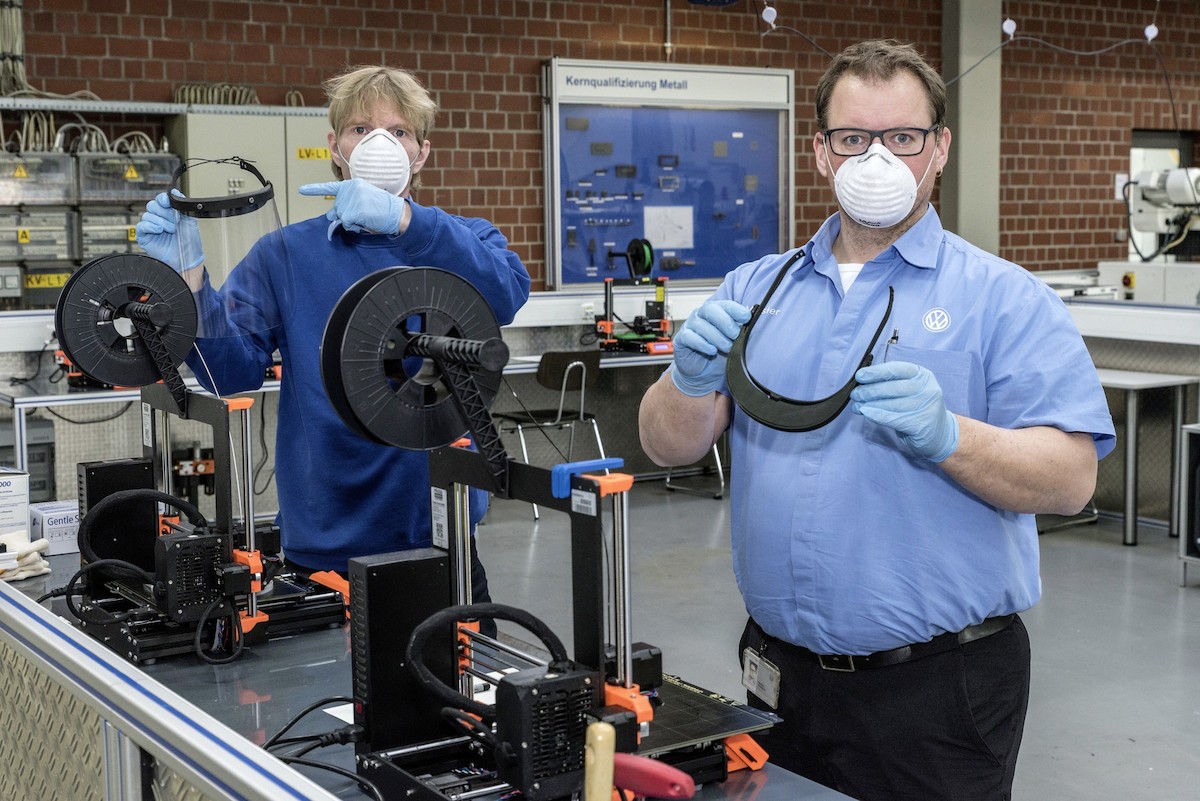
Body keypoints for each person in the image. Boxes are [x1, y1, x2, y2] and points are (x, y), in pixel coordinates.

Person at [638, 40, 1114, 801]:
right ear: (821, 153)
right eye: (854, 138)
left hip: (936, 691)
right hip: (777, 679)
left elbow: (1070, 479)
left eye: (903, 137)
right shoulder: (756, 289)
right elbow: (666, 443)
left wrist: (951, 436)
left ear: (940, 148)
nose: (878, 159)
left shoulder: (1007, 299)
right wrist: (686, 380)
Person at [136, 66, 531, 610]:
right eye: (361, 129)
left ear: (422, 152)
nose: (379, 144)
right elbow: (229, 372)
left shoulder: (461, 238)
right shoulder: (286, 254)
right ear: (335, 146)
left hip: (440, 535)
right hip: (324, 541)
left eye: (399, 132)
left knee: (459, 687)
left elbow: (507, 292)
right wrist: (188, 280)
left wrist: (405, 223)